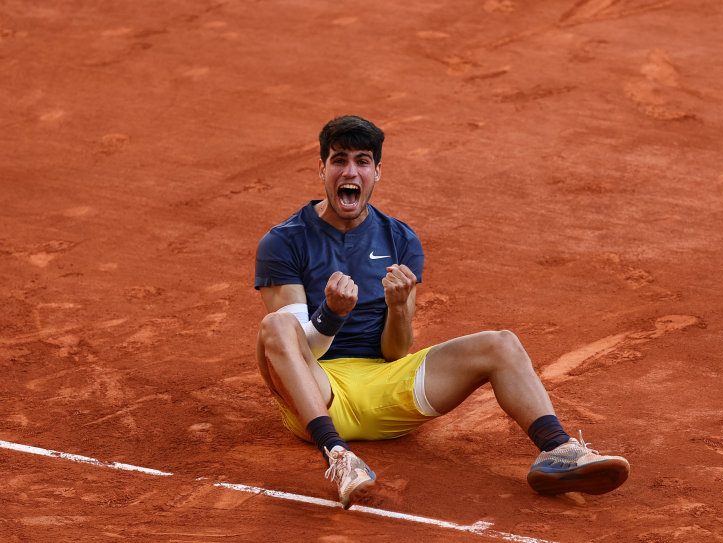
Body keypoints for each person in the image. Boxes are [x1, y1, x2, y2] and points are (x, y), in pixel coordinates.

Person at [254, 115, 630, 509]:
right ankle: (340, 458)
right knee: (276, 325)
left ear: (377, 172)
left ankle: (558, 450)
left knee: (501, 344)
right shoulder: (284, 242)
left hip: (385, 389)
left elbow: (395, 353)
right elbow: (297, 351)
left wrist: (399, 307)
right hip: (318, 393)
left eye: (362, 161)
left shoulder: (400, 239)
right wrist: (331, 315)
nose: (351, 171)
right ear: (322, 168)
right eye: (339, 160)